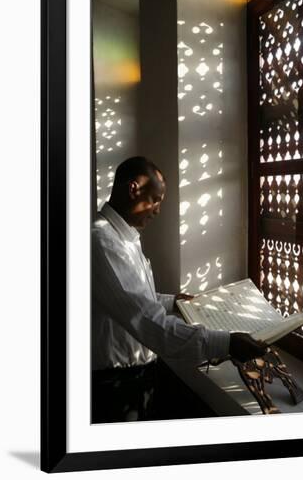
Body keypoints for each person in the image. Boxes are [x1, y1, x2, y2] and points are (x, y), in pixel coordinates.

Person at [91, 156, 267, 422]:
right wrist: (226, 343)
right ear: (134, 189)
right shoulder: (102, 243)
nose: (158, 210)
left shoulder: (123, 238)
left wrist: (174, 301)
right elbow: (145, 320)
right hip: (117, 386)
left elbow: (134, 299)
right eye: (157, 199)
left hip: (137, 377)